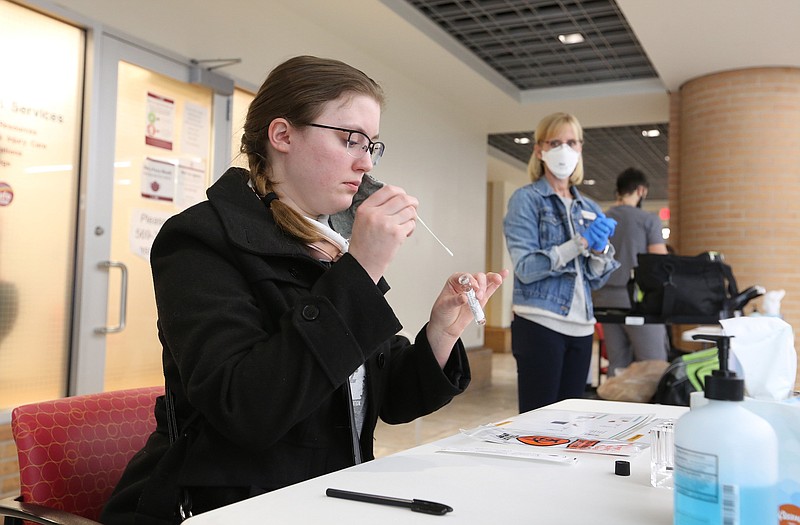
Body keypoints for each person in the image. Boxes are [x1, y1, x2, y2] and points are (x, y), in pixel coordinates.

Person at [101, 55, 507, 524]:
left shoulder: (327, 242)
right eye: (350, 138)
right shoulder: (200, 238)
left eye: (373, 145)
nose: (365, 161)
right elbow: (247, 410)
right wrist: (361, 269)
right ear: (283, 135)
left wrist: (440, 332)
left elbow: (388, 399)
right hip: (230, 504)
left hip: (329, 495)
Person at [503, 112, 620, 413]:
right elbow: (526, 268)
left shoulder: (589, 207)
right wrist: (580, 243)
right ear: (539, 149)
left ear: (580, 149)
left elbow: (593, 279)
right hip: (540, 322)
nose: (564, 150)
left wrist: (601, 251)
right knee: (538, 422)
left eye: (571, 142)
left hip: (582, 326)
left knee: (571, 421)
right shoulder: (526, 200)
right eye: (555, 142)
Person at [593, 167, 669, 377]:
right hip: (636, 301)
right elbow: (659, 261)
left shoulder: (603, 219)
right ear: (641, 190)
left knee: (617, 363)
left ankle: (615, 407)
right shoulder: (648, 220)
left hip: (604, 301)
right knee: (654, 362)